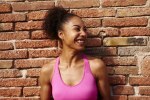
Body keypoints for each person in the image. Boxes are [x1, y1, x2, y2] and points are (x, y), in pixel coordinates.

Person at [39, 6, 111, 100]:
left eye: (84, 30)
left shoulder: (96, 66)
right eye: (77, 29)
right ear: (61, 34)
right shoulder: (48, 70)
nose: (84, 34)